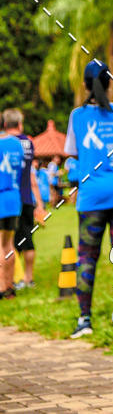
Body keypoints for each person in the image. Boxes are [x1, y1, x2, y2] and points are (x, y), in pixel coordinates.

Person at [64, 60, 113, 338]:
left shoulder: (77, 116)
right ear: (110, 83)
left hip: (92, 195)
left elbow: (72, 154)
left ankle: (84, 319)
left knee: (87, 257)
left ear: (85, 84)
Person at [2, 109, 46, 289]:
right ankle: (28, 277)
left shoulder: (6, 143)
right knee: (26, 238)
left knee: (6, 243)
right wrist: (40, 204)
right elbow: (32, 176)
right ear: (19, 124)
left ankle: (8, 283)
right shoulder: (28, 142)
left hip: (7, 197)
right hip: (26, 198)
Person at [0, 119, 25, 299]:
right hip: (14, 199)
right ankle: (9, 287)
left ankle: (1, 287)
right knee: (8, 244)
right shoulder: (16, 144)